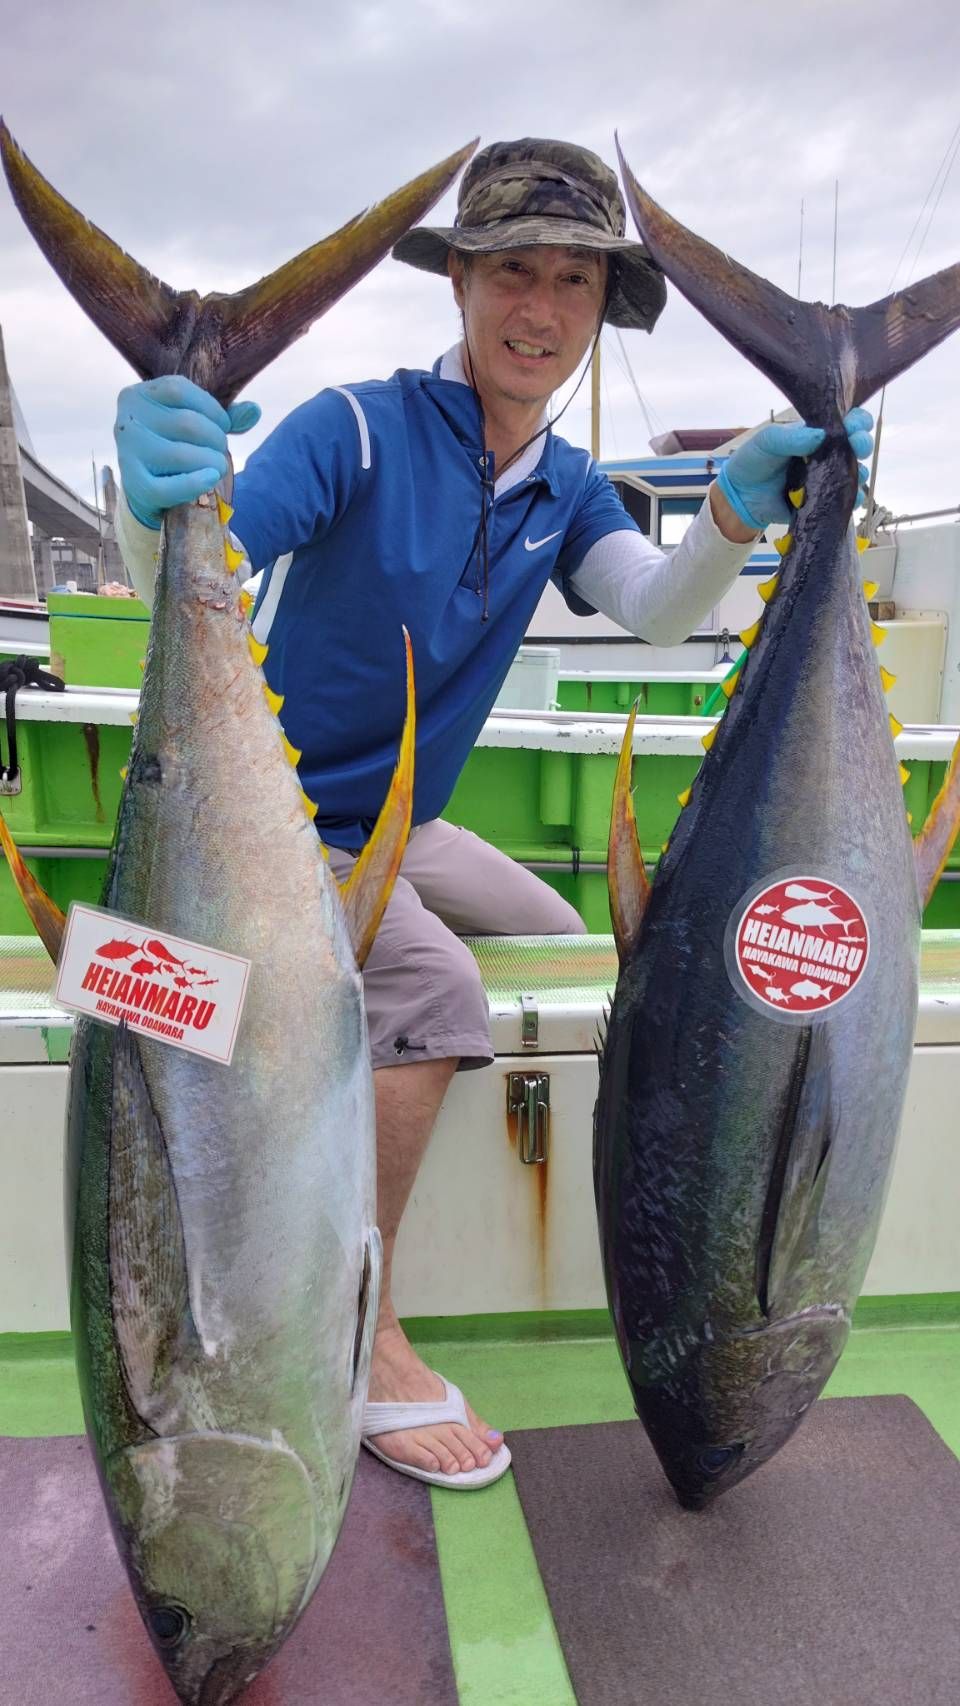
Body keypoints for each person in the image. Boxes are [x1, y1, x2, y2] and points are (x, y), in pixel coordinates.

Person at [112, 137, 873, 1490]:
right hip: (274, 830)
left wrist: (738, 510)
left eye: (575, 280)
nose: (541, 307)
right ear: (458, 283)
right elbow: (203, 552)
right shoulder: (354, 429)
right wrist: (152, 499)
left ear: (602, 307)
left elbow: (656, 607)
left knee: (567, 941)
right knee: (440, 985)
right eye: (512, 269)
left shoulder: (565, 484)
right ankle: (366, 1332)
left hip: (400, 829)